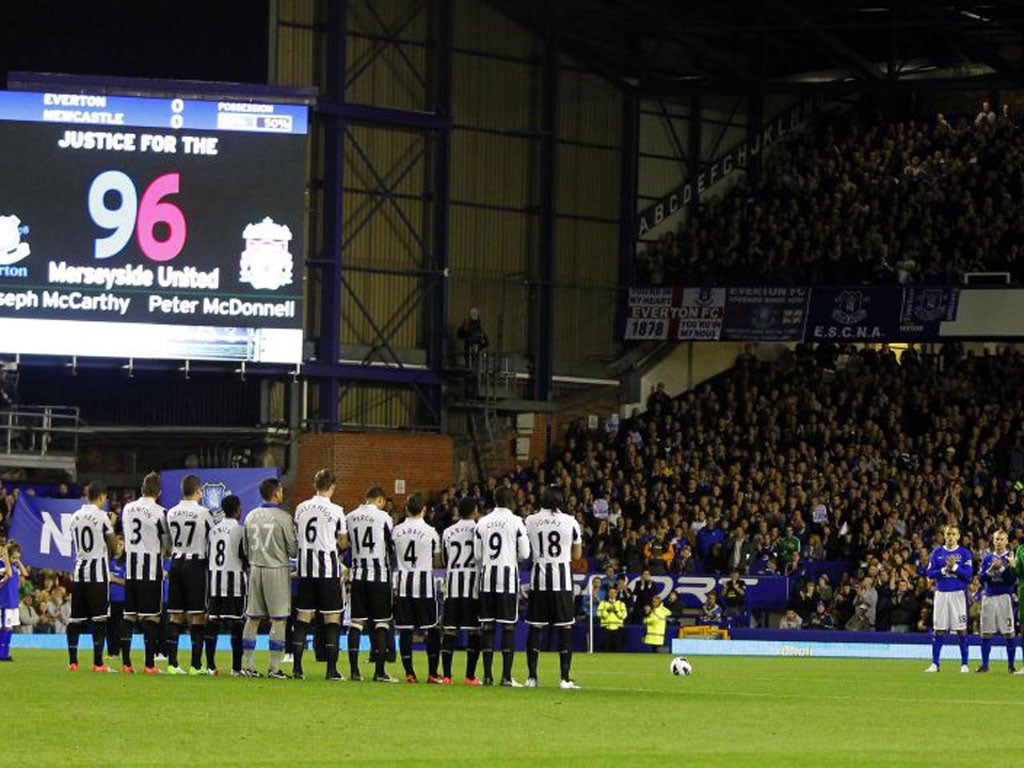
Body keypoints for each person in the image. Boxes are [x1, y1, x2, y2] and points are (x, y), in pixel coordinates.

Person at [524, 485, 583, 689]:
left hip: (539, 579)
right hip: (562, 580)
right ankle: (564, 679)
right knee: (565, 627)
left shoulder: (530, 520)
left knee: (535, 626)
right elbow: (576, 556)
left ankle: (532, 677)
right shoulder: (570, 521)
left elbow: (524, 549)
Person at [291, 469, 348, 681]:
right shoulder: (336, 510)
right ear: (332, 487)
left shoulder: (300, 508)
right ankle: (331, 670)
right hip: (327, 569)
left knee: (303, 617)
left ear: (315, 485)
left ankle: (297, 668)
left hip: (305, 569)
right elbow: (342, 542)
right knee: (332, 618)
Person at [240, 478, 297, 679]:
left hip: (255, 569)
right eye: (280, 491)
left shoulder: (250, 516)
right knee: (278, 619)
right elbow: (293, 549)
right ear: (275, 493)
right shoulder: (283, 518)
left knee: (253, 618)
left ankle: (248, 665)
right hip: (276, 570)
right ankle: (274, 668)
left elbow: (245, 549)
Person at [474, 485, 530, 686]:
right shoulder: (516, 522)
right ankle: (506, 677)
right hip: (507, 580)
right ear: (511, 501)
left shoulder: (482, 522)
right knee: (508, 627)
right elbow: (525, 554)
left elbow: (478, 556)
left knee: (487, 626)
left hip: (487, 578)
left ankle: (487, 676)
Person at [165, 474, 215, 675]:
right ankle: (195, 664)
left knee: (176, 614)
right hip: (195, 565)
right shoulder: (203, 513)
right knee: (198, 615)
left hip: (176, 563)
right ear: (197, 491)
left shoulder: (171, 512)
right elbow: (212, 537)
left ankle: (172, 663)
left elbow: (168, 541)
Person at [345, 486, 396, 683]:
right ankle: (380, 672)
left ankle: (355, 672)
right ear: (381, 500)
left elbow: (346, 543)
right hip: (379, 577)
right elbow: (390, 546)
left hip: (358, 576)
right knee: (381, 624)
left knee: (356, 624)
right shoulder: (384, 517)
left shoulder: (350, 516)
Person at [119, 471, 168, 674]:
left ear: (142, 489)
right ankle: (149, 664)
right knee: (151, 618)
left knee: (129, 616)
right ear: (159, 492)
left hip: (131, 569)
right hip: (150, 570)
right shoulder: (161, 512)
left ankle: (126, 663)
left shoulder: (127, 509)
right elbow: (166, 543)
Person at [67, 482, 117, 672]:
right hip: (97, 575)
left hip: (80, 572)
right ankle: (98, 663)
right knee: (100, 619)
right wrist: (111, 526)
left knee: (76, 619)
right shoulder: (102, 517)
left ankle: (73, 662)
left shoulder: (75, 516)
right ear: (102, 496)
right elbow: (113, 546)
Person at [392, 492, 442, 684]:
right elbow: (437, 562)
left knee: (405, 630)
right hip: (424, 587)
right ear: (424, 510)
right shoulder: (431, 532)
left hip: (403, 585)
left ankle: (410, 674)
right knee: (432, 629)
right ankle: (432, 673)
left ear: (406, 509)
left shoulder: (397, 531)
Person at [441, 495, 482, 685]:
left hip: (452, 586)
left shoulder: (448, 532)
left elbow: (443, 559)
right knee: (474, 631)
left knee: (449, 630)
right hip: (472, 587)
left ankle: (447, 676)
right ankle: (470, 676)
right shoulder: (479, 530)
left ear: (458, 511)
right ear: (475, 511)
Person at [206, 494, 247, 677]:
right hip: (235, 583)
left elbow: (209, 554)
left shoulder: (213, 530)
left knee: (213, 623)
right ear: (237, 509)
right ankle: (236, 668)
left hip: (215, 582)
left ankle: (210, 666)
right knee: (237, 623)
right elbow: (244, 556)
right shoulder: (239, 530)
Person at [925, 523, 973, 673]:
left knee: (961, 629)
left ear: (958, 536)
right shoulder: (936, 553)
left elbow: (969, 576)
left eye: (953, 534)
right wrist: (944, 569)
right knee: (939, 629)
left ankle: (964, 664)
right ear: (944, 536)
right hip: (941, 594)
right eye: (948, 534)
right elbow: (929, 574)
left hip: (958, 594)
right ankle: (935, 663)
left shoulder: (965, 553)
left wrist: (955, 568)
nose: (951, 537)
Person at [978, 529, 1016, 673]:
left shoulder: (1010, 558)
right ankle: (985, 665)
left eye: (1002, 539)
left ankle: (1011, 666)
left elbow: (1013, 580)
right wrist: (990, 569)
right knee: (986, 632)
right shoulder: (987, 558)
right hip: (988, 597)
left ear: (1007, 541)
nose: (999, 542)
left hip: (1004, 598)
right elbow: (981, 579)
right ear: (993, 541)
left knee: (1008, 632)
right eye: (996, 539)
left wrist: (1001, 569)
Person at [0, 542, 28, 660]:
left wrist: (17, 561)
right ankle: (2, 654)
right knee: (4, 628)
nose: (16, 560)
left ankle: (6, 653)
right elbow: (8, 574)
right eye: (14, 557)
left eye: (18, 557)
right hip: (4, 602)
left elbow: (25, 573)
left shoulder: (15, 566)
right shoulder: (2, 564)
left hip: (13, 602)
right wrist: (6, 556)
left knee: (10, 628)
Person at [106, 536, 126, 662]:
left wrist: (113, 579)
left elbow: (127, 581)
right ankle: (110, 651)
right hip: (108, 597)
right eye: (117, 544)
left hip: (120, 598)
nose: (118, 547)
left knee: (118, 625)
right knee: (109, 625)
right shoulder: (109, 560)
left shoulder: (125, 562)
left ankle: (116, 652)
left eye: (121, 545)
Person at [597, 586, 627, 652]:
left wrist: (616, 611)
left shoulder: (621, 604)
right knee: (606, 648)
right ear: (608, 594)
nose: (612, 594)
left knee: (617, 648)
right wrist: (607, 610)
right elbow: (598, 614)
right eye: (610, 592)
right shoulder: (603, 603)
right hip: (605, 628)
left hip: (618, 628)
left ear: (616, 594)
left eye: (614, 592)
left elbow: (624, 615)